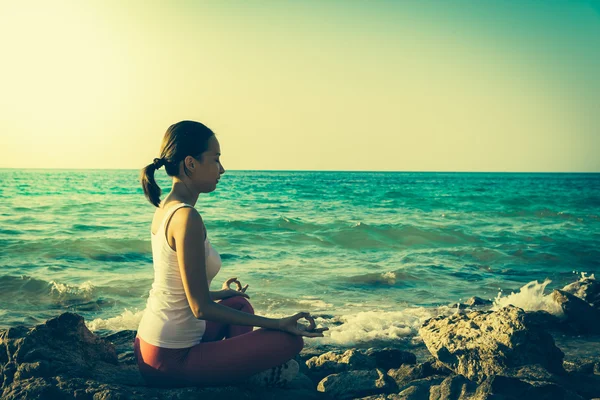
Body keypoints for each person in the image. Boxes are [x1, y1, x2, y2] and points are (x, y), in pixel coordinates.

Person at [134, 120, 327, 388]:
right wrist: (278, 323)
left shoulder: (167, 207)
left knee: (238, 302)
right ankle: (243, 375)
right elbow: (200, 308)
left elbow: (174, 286)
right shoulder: (186, 217)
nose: (222, 169)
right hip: (170, 360)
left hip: (147, 344)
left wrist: (218, 293)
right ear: (191, 163)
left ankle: (239, 369)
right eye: (215, 159)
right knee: (290, 340)